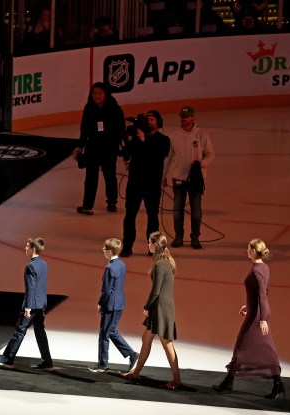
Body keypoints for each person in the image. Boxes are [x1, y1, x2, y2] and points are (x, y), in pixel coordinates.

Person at [213, 239, 285, 399]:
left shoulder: (256, 271)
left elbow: (262, 295)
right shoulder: (263, 267)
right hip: (256, 312)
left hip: (257, 317)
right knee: (267, 348)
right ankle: (277, 382)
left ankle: (228, 383)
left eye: (248, 248)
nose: (247, 250)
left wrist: (263, 318)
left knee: (240, 346)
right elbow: (264, 292)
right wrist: (248, 306)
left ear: (254, 250)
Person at [122, 231, 182, 391]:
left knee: (167, 344)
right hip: (164, 306)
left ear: (155, 245)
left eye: (149, 242)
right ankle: (135, 374)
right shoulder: (167, 262)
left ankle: (177, 380)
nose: (148, 245)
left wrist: (146, 307)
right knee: (146, 339)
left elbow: (156, 291)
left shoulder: (159, 264)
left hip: (160, 307)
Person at [0, 237, 55, 372]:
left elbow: (31, 288)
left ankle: (8, 359)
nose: (25, 248)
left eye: (27, 246)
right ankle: (47, 362)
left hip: (31, 305)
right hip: (41, 303)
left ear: (33, 248)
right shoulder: (44, 264)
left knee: (20, 330)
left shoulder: (30, 265)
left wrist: (27, 308)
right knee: (40, 332)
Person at [164, 106, 215, 249]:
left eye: (186, 116)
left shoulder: (202, 135)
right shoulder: (174, 136)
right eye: (182, 116)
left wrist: (202, 163)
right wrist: (163, 176)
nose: (184, 119)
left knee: (196, 209)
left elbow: (211, 154)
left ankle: (195, 238)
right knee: (177, 209)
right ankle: (178, 237)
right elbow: (168, 158)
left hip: (196, 180)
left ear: (193, 117)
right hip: (178, 178)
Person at [121, 110, 170, 257]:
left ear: (158, 123)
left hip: (152, 185)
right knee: (130, 215)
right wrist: (129, 139)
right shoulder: (137, 137)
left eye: (152, 119)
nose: (149, 122)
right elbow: (126, 153)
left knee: (152, 217)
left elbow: (158, 156)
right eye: (147, 119)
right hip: (135, 183)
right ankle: (127, 246)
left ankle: (153, 247)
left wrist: (145, 141)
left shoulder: (163, 140)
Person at [72, 82, 126, 215]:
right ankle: (87, 205)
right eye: (94, 93)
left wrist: (124, 146)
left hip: (109, 147)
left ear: (105, 94)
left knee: (110, 176)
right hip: (93, 147)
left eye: (99, 93)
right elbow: (84, 129)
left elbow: (121, 129)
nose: (96, 96)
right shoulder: (89, 108)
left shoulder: (115, 109)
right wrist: (80, 146)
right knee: (91, 177)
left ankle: (112, 202)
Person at [89, 238, 139, 373]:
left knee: (104, 334)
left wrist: (100, 303)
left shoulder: (109, 268)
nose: (103, 252)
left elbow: (106, 290)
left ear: (109, 251)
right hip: (119, 303)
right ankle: (131, 354)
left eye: (104, 249)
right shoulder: (121, 264)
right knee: (111, 331)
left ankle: (103, 364)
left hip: (111, 305)